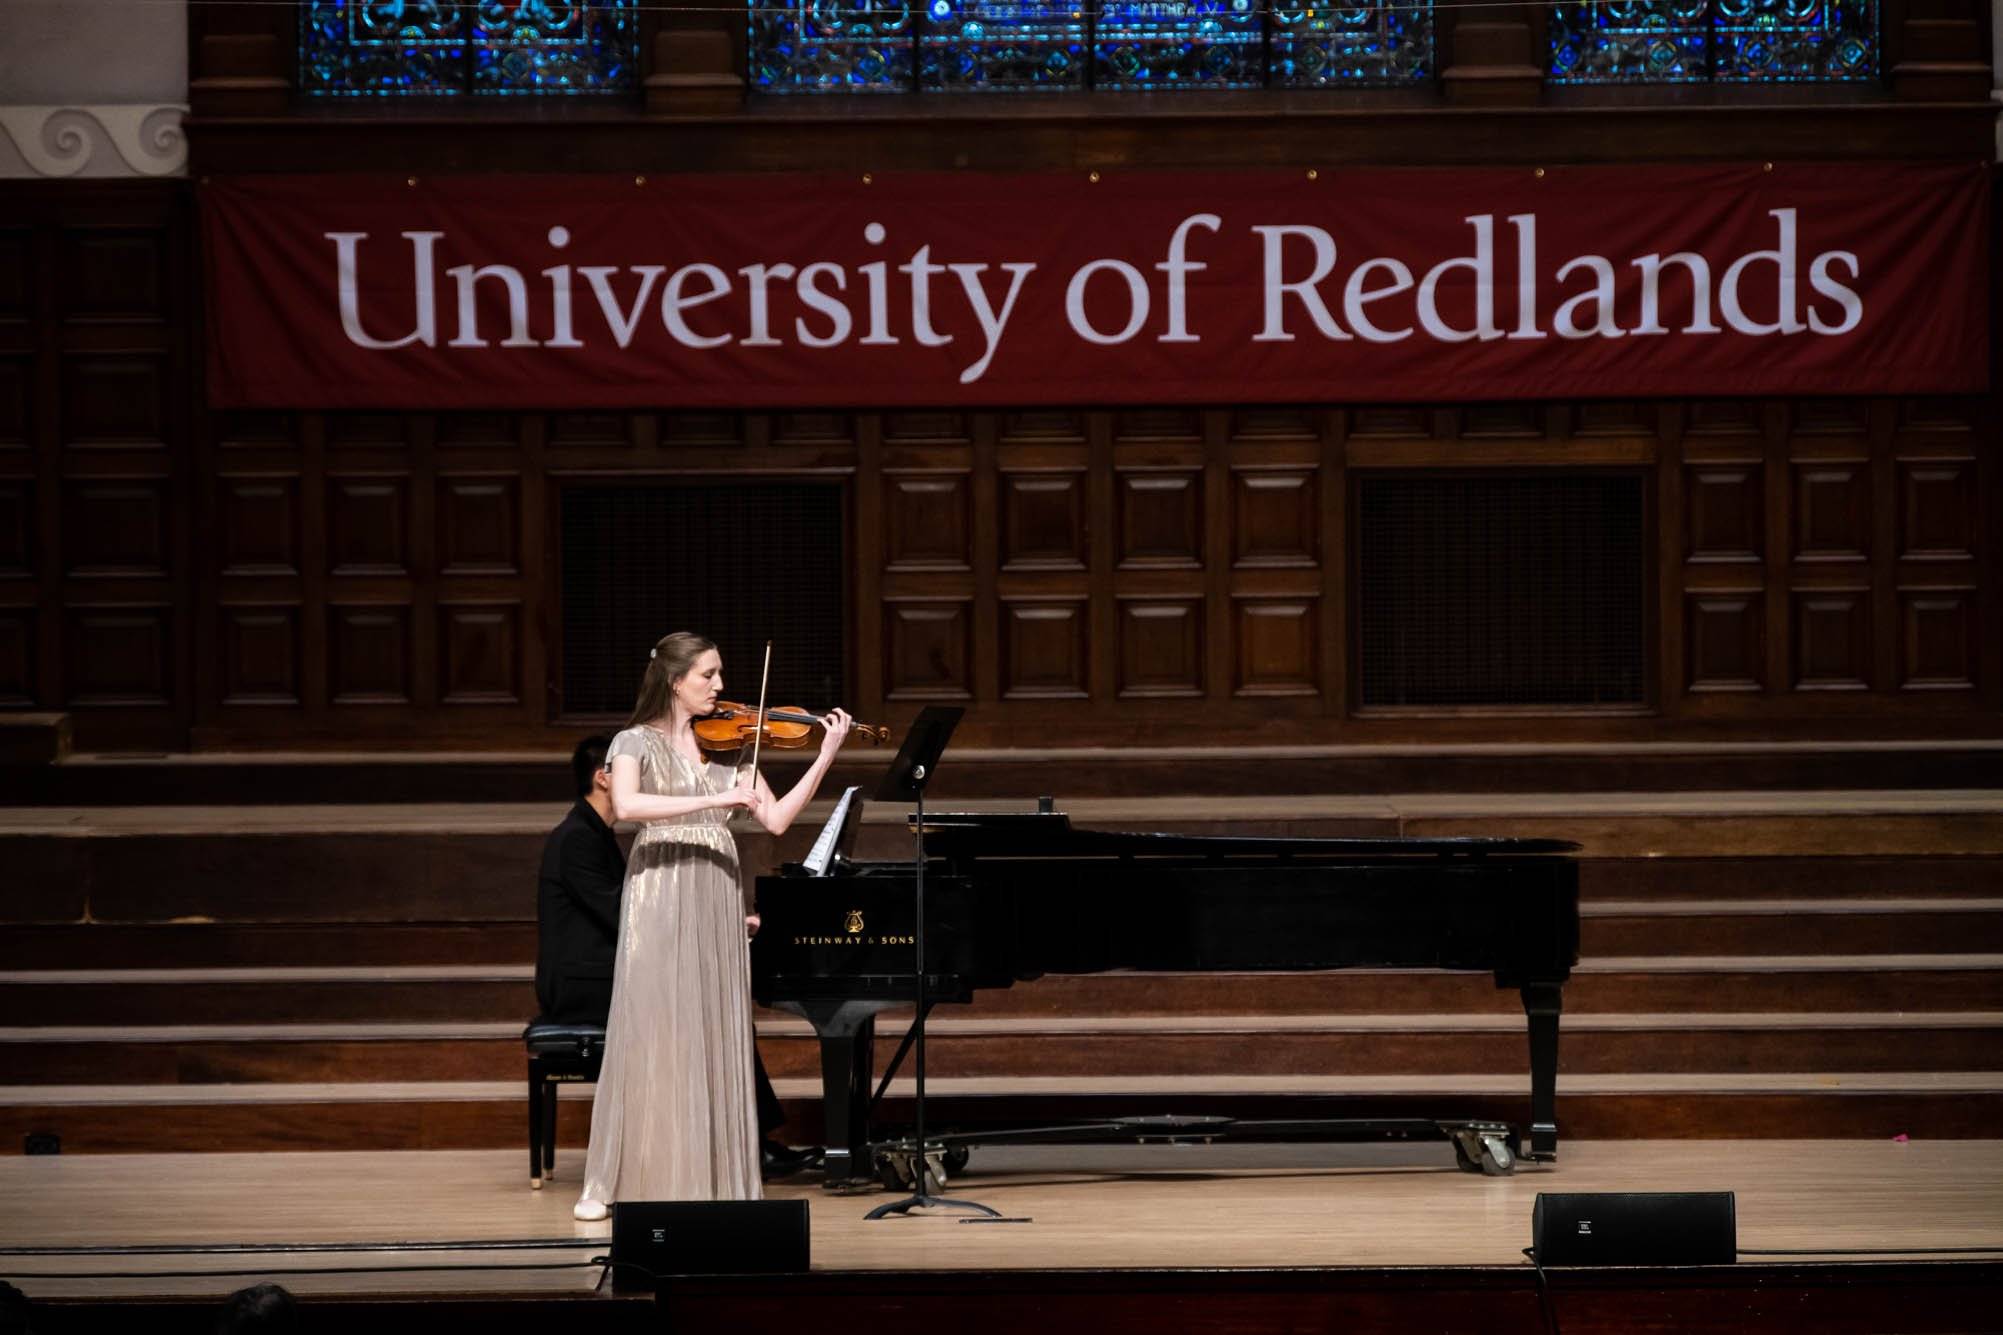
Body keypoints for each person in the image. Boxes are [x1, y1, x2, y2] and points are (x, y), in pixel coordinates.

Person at [573, 632, 850, 1220]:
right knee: (650, 1022)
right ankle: (609, 1180)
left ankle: (709, 1175)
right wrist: (708, 805)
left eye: (720, 675)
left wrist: (824, 756)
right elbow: (626, 806)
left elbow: (774, 821)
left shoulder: (730, 756)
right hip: (660, 890)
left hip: (716, 895)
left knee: (713, 1026)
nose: (721, 687)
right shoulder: (634, 741)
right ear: (676, 682)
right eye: (709, 675)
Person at [536, 733, 815, 1175]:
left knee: (713, 1003)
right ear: (602, 777)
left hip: (600, 968)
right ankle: (741, 1142)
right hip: (581, 983)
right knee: (704, 1002)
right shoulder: (575, 838)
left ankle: (740, 1139)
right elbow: (620, 911)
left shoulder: (595, 832)